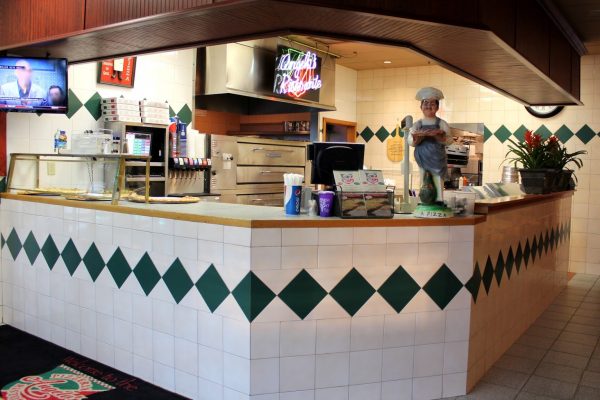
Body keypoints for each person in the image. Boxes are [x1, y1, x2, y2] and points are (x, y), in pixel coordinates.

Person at [408, 87, 453, 204]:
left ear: (437, 107)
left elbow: (449, 140)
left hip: (437, 159)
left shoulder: (442, 124)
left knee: (437, 178)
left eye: (432, 103)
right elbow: (410, 141)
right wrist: (418, 137)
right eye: (425, 103)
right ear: (421, 107)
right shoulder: (417, 124)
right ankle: (424, 201)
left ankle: (438, 200)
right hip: (422, 159)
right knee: (423, 179)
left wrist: (439, 136)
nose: (428, 106)